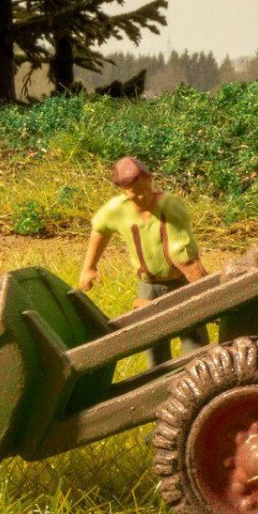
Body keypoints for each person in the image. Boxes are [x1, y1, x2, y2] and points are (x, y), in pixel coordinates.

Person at [78, 156, 210, 365]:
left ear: (150, 180)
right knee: (153, 338)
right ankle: (157, 381)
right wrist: (89, 267)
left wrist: (199, 281)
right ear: (123, 190)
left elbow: (184, 250)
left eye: (144, 190)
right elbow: (99, 230)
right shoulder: (117, 210)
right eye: (134, 194)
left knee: (193, 334)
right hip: (148, 286)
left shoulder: (171, 205)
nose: (141, 197)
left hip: (179, 282)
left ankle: (200, 370)